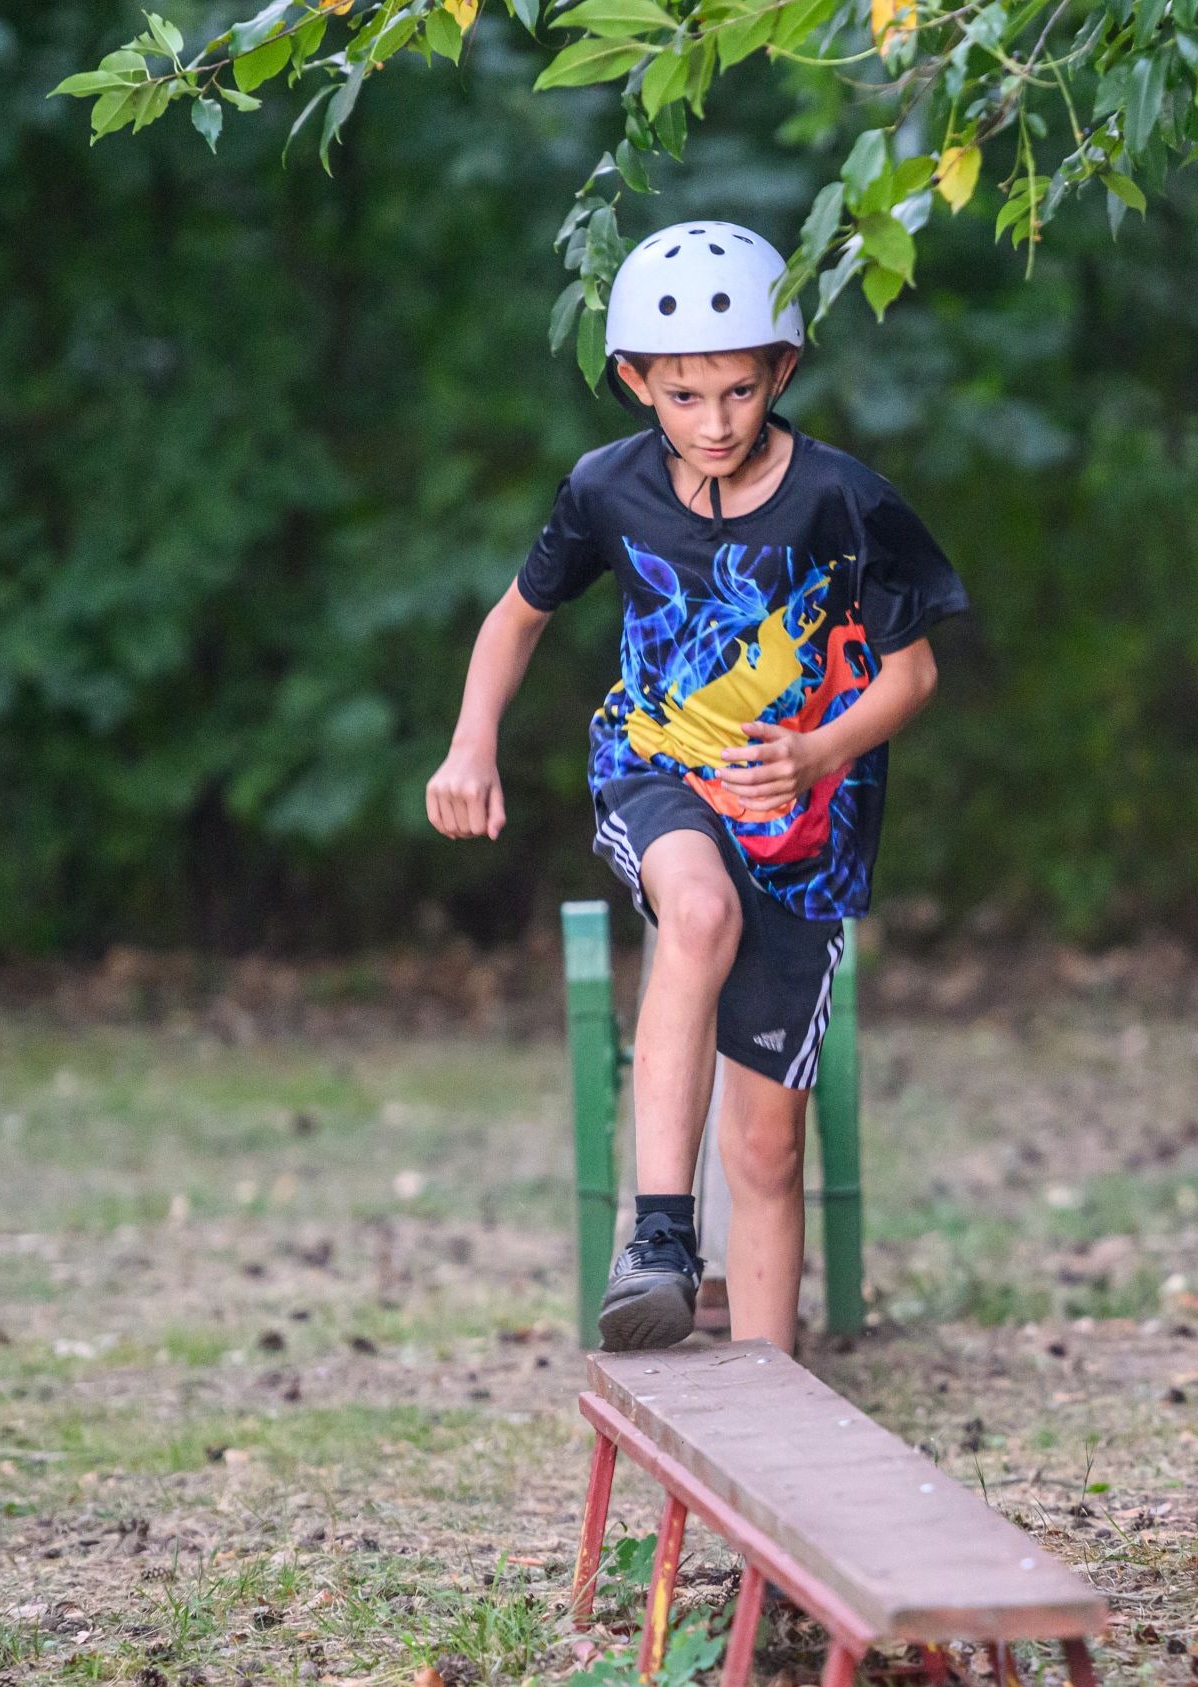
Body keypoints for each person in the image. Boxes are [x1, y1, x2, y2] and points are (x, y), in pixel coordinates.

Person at [423, 220, 967, 1352]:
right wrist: (470, 744)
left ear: (783, 370)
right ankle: (661, 1237)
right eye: (683, 396)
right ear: (635, 383)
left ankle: (774, 1397)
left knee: (768, 1149)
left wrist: (818, 753)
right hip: (656, 768)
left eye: (738, 391)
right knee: (699, 912)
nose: (713, 423)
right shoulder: (606, 489)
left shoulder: (845, 502)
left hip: (805, 834)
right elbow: (516, 618)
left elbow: (913, 673)